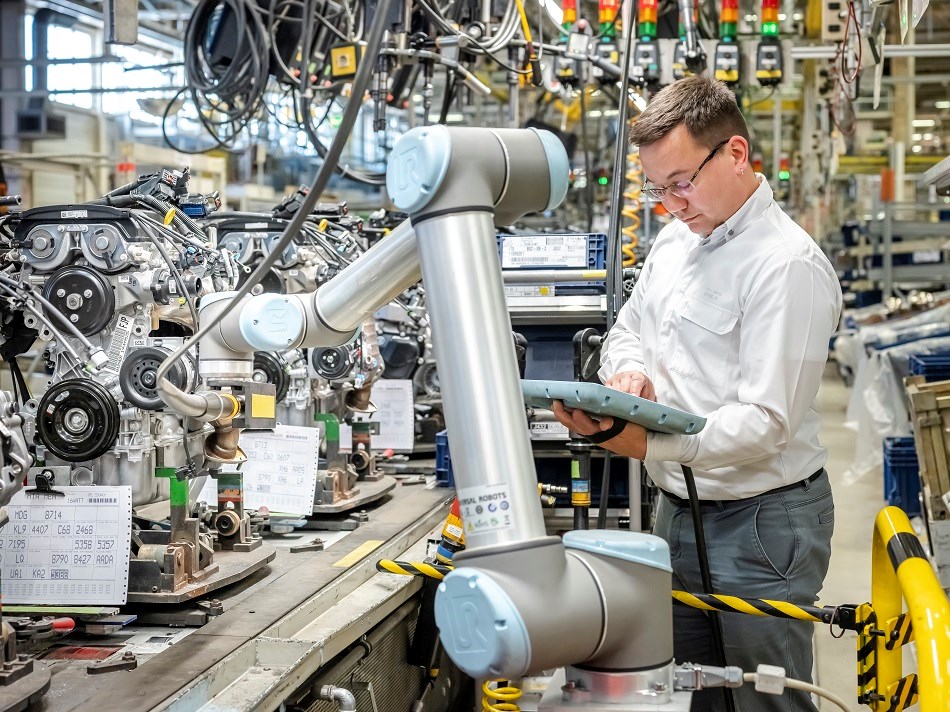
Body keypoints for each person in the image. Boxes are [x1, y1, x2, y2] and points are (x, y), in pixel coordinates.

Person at [551, 75, 842, 712]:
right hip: (676, 510)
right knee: (690, 693)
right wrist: (625, 374)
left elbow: (767, 421)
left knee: (768, 700)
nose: (671, 204)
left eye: (681, 183)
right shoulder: (675, 241)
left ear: (735, 154)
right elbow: (629, 328)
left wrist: (650, 439)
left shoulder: (785, 265)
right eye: (657, 189)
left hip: (763, 519)